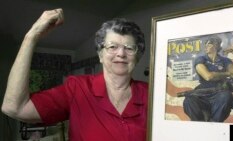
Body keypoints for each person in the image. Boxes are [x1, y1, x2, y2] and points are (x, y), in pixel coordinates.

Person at [1, 8, 148, 141]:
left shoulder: (151, 94)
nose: (121, 53)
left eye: (129, 48)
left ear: (137, 56)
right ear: (100, 55)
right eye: (112, 47)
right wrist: (31, 37)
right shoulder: (77, 88)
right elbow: (14, 108)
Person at [183, 35, 233, 122]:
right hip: (203, 92)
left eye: (209, 45)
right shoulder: (201, 59)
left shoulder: (225, 61)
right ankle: (199, 123)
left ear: (216, 46)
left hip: (220, 93)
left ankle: (214, 124)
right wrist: (228, 73)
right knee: (189, 101)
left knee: (226, 96)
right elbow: (208, 76)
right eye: (206, 44)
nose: (206, 47)